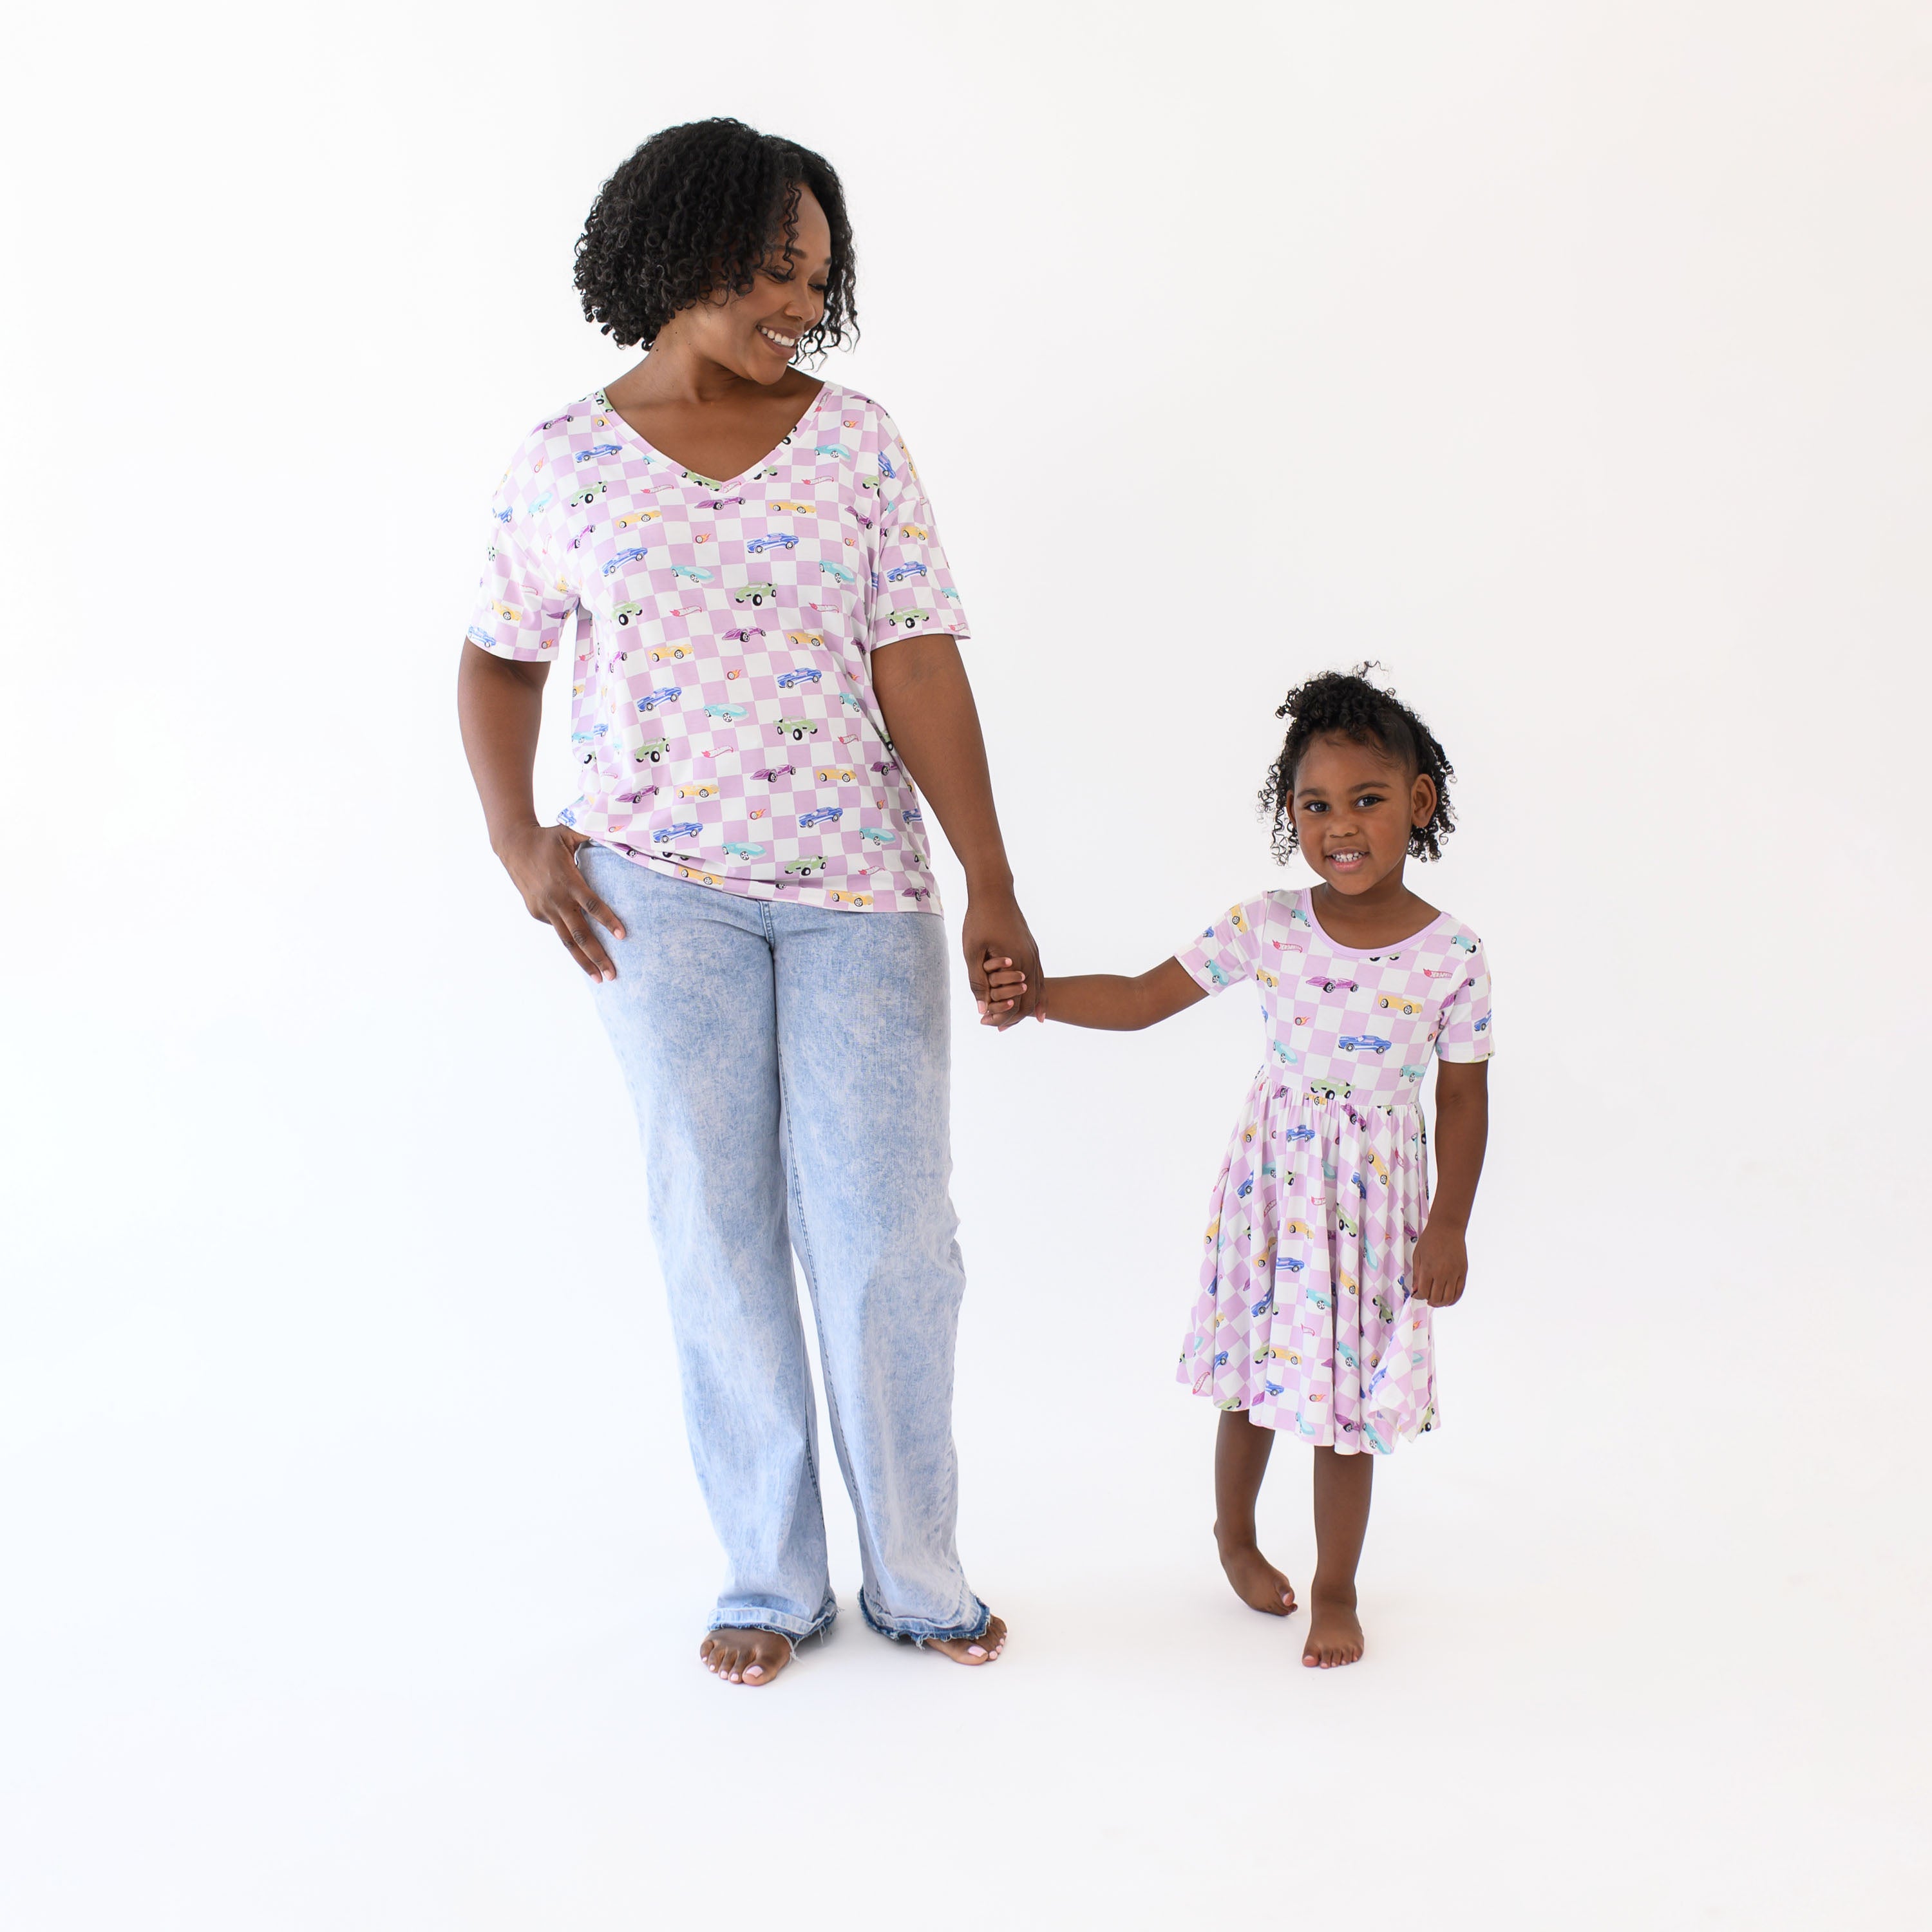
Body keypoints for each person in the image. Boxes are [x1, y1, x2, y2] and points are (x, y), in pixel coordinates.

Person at [457, 119, 1037, 1687]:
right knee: (715, 1233)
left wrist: (989, 876)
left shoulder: (857, 444)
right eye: (778, 269)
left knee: (891, 1241)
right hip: (655, 903)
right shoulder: (563, 462)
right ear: (683, 248)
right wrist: (519, 841)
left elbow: (917, 663)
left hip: (860, 892)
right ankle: (770, 1577)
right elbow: (500, 662)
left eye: (819, 280)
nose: (802, 305)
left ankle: (918, 1575)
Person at [980, 668, 1491, 1667]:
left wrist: (1450, 1224)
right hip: (1276, 1195)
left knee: (1346, 1413)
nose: (1340, 826)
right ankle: (1236, 1538)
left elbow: (1464, 1099)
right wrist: (1037, 996)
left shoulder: (1455, 955)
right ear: (1290, 813)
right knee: (1252, 1381)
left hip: (1376, 1212)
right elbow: (1142, 998)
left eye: (1367, 800)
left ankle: (1336, 1588)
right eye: (1315, 805)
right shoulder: (1269, 925)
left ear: (1419, 801)